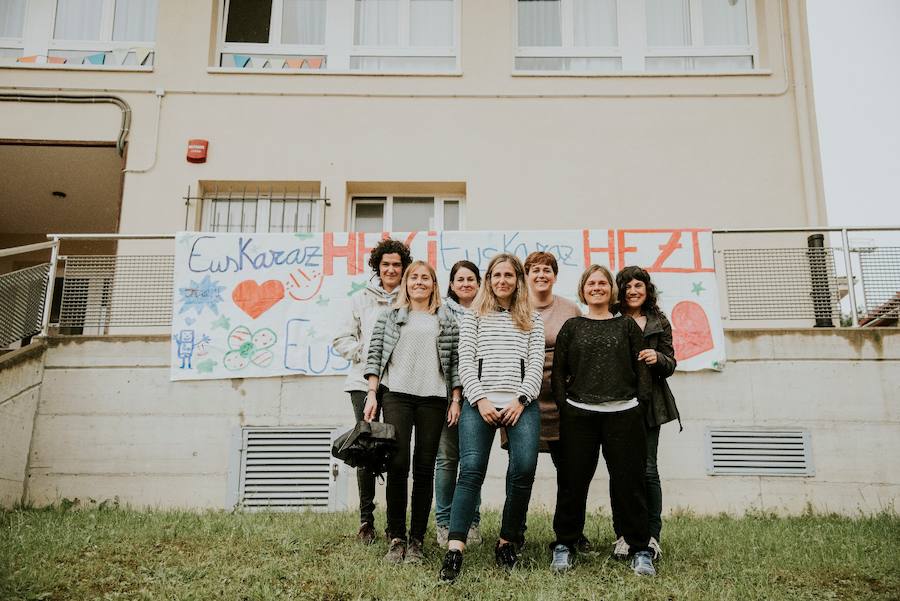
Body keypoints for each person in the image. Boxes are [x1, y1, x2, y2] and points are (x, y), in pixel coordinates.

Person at [439, 253, 544, 582]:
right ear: (489, 280)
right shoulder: (474, 316)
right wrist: (480, 398)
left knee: (524, 468)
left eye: (509, 275)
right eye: (497, 275)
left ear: (517, 280)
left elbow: (536, 366)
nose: (502, 280)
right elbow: (465, 362)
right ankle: (455, 549)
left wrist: (521, 399)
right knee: (470, 469)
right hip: (479, 402)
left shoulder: (532, 319)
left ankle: (506, 542)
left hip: (520, 403)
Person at [549, 265, 656, 577]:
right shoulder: (572, 326)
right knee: (572, 483)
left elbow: (643, 372)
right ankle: (564, 545)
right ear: (583, 290)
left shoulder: (626, 327)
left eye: (602, 283)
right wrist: (566, 407)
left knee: (630, 484)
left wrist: (639, 405)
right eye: (591, 283)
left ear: (612, 290)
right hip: (579, 416)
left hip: (623, 416)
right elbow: (558, 373)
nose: (596, 287)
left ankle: (639, 548)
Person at [362, 260, 462, 564]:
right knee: (398, 463)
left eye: (426, 278)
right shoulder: (390, 317)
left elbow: (455, 363)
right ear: (406, 283)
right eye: (414, 277)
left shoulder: (446, 319)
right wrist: (371, 393)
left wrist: (456, 398)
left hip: (433, 399)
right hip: (397, 396)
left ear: (433, 284)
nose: (419, 282)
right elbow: (375, 356)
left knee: (424, 468)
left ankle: (417, 540)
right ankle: (396, 538)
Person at [332, 238, 411, 544]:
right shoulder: (360, 299)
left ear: (403, 268)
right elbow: (341, 339)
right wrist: (368, 355)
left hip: (398, 385)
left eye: (397, 264)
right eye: (386, 264)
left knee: (394, 450)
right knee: (365, 450)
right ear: (378, 267)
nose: (391, 269)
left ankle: (395, 523)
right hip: (362, 384)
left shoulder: (410, 297)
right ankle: (366, 520)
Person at [612, 265, 681, 561]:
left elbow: (672, 363)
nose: (633, 291)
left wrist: (658, 357)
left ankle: (652, 536)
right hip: (615, 403)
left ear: (647, 290)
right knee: (620, 472)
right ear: (621, 291)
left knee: (648, 470)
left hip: (650, 404)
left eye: (638, 286)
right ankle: (623, 537)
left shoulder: (658, 321)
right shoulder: (611, 319)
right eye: (627, 286)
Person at [517, 251, 583, 548]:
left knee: (568, 472)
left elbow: (582, 352)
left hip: (562, 402)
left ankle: (569, 533)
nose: (541, 275)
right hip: (523, 400)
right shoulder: (514, 308)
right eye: (535, 270)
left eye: (547, 270)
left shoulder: (571, 309)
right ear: (526, 276)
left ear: (555, 276)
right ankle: (514, 533)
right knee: (521, 469)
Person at [434, 260, 484, 548]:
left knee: (472, 464)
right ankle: (444, 523)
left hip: (478, 397)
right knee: (447, 460)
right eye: (460, 279)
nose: (465, 284)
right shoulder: (440, 313)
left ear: (478, 283)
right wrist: (454, 397)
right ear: (451, 285)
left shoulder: (488, 312)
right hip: (446, 397)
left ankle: (471, 522)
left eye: (470, 279)